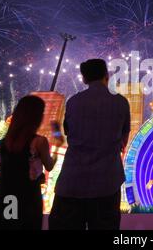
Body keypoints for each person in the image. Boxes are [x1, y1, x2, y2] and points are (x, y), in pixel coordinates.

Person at [49, 59, 130, 230]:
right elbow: (124, 140)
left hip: (72, 183)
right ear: (106, 76)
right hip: (107, 183)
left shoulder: (73, 102)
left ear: (84, 79)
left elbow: (68, 133)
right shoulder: (121, 102)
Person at [0, 96, 61, 230]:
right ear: (36, 117)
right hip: (27, 198)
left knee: (7, 225)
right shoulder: (39, 142)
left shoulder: (7, 140)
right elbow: (49, 166)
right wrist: (57, 147)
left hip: (6, 195)